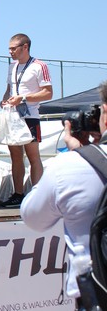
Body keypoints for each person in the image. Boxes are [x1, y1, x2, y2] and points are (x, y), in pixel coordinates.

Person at [21, 80, 107, 305]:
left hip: (98, 293)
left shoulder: (69, 166)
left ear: (105, 114)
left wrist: (80, 155)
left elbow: (32, 217)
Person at [0, 33, 53, 207]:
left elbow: (48, 92)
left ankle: (37, 195)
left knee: (33, 156)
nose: (10, 52)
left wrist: (22, 98)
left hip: (30, 116)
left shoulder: (39, 66)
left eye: (14, 48)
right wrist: (5, 99)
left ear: (25, 47)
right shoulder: (12, 66)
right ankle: (18, 194)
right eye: (9, 48)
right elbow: (10, 88)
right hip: (12, 116)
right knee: (15, 155)